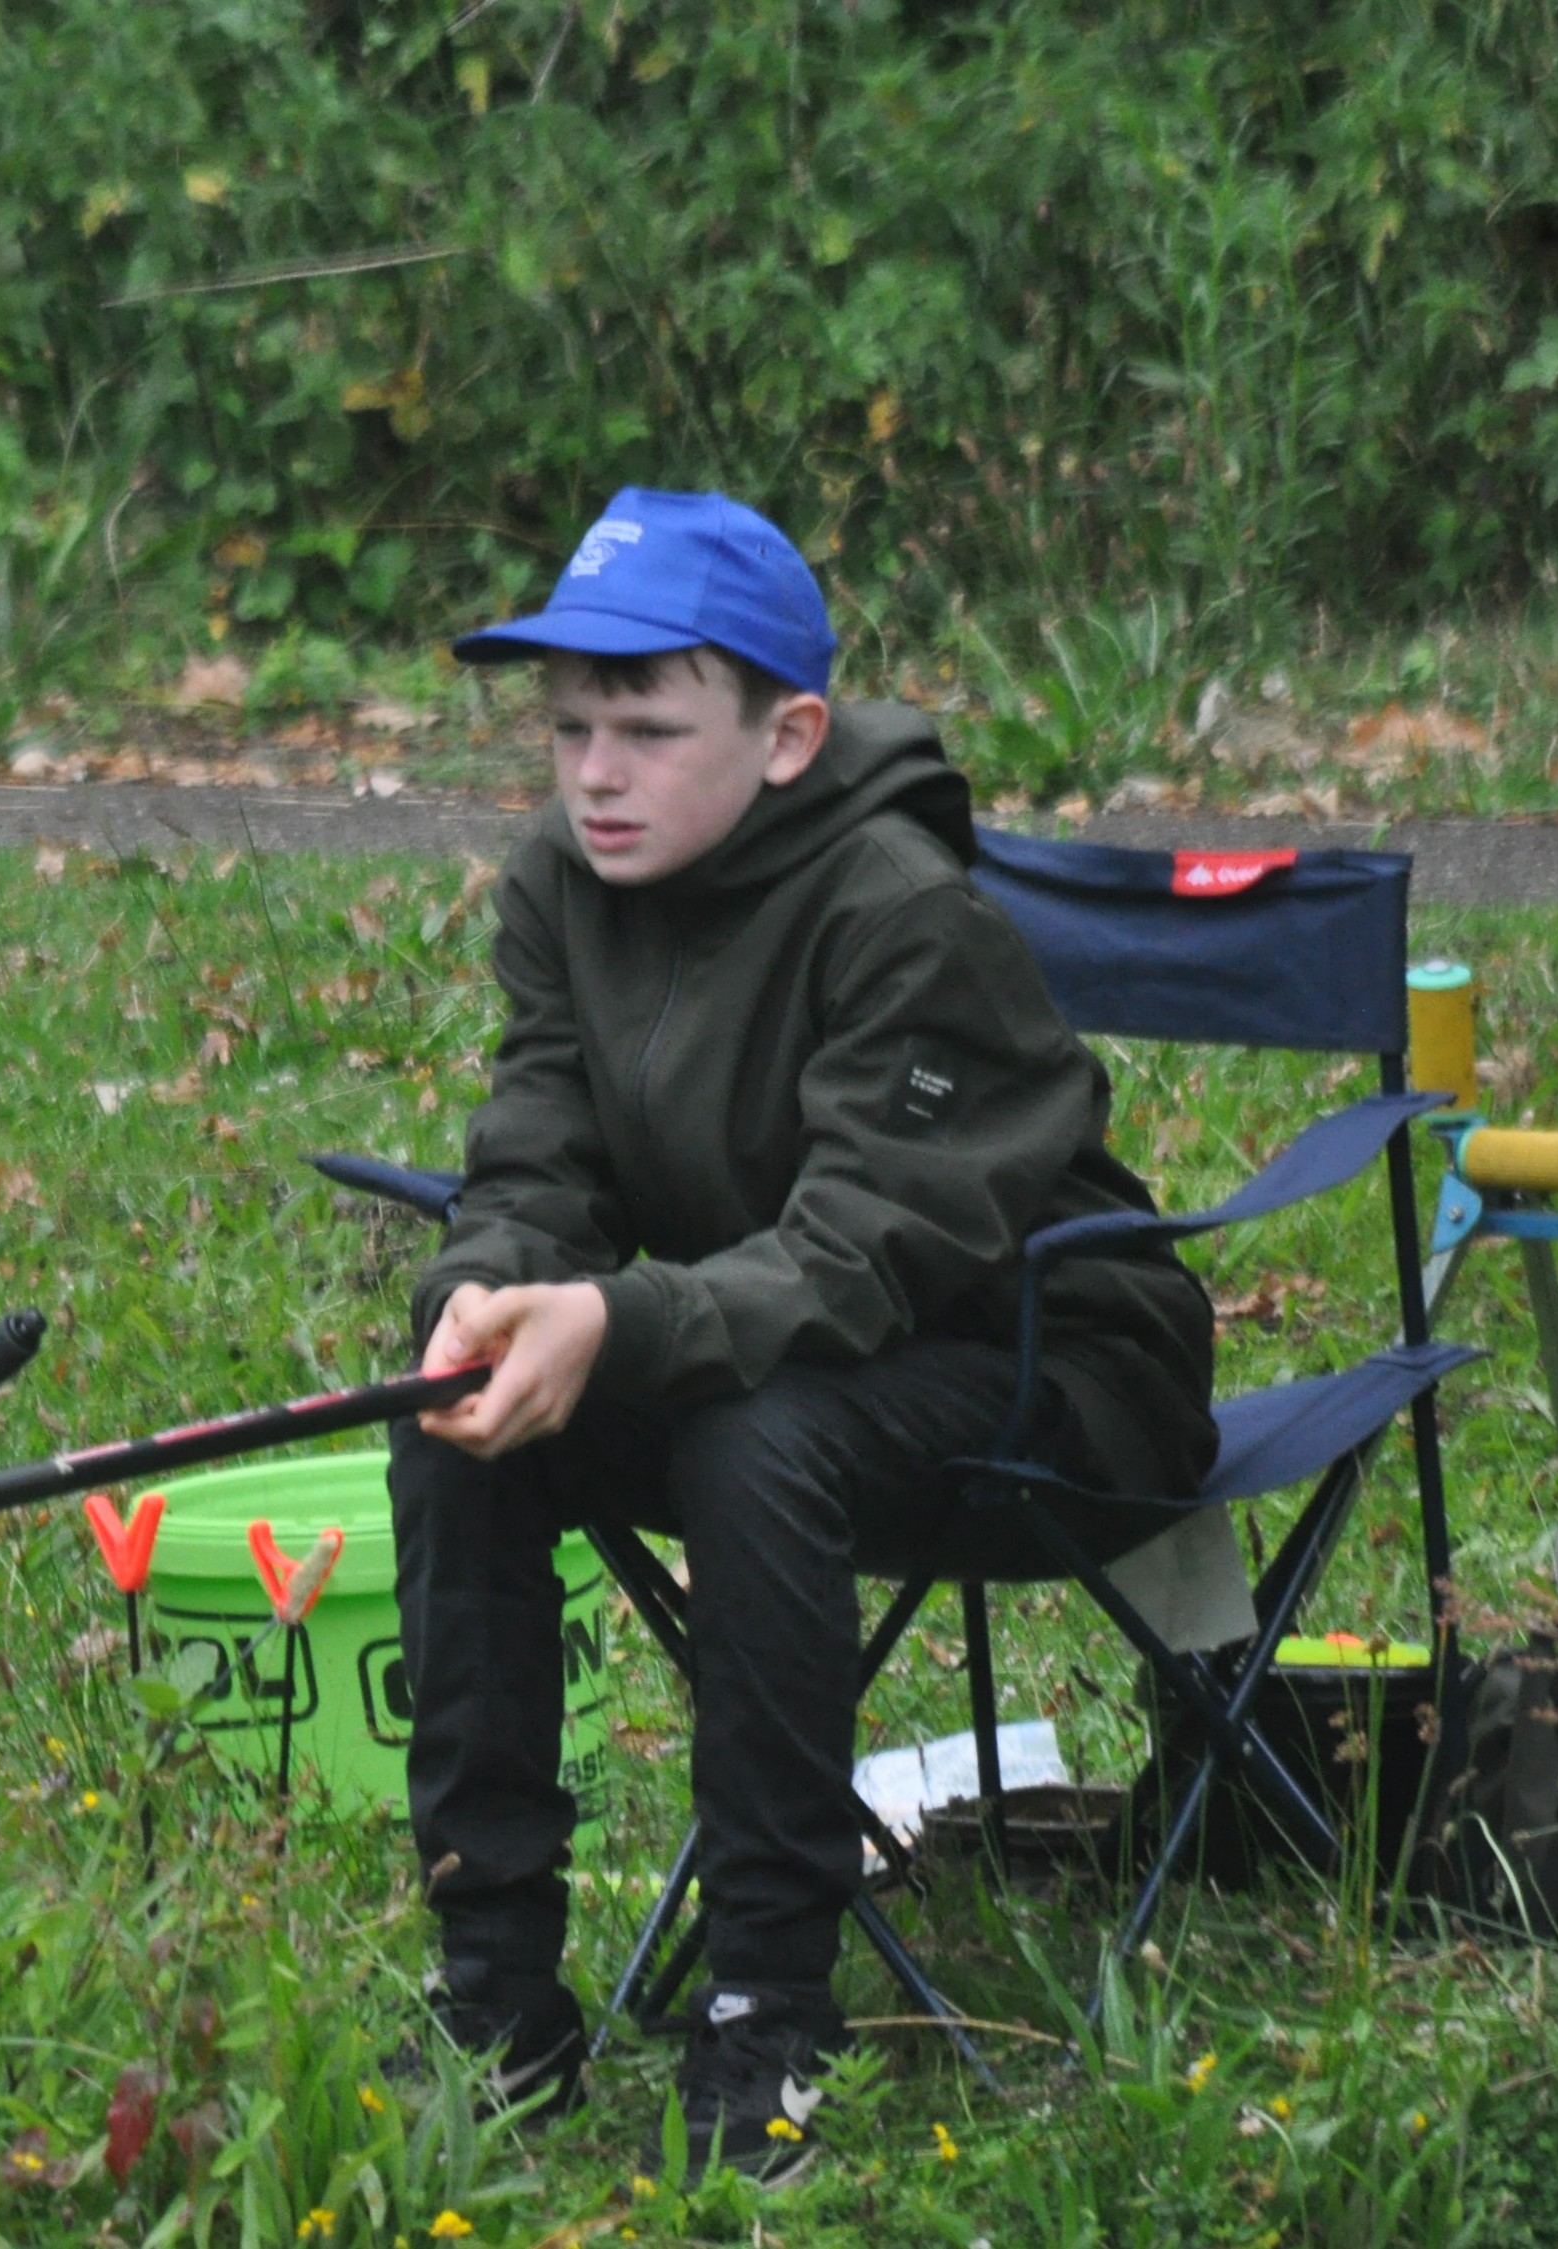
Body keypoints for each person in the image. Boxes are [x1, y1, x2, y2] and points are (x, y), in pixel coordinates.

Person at [392, 487, 1217, 2186]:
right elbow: (535, 1162)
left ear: (788, 737)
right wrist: (494, 1283)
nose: (593, 773)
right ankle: (497, 1991)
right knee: (456, 1378)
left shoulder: (899, 905)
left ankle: (767, 2001)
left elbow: (857, 1254)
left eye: (646, 728)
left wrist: (619, 1316)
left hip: (1053, 1369)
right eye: (567, 726)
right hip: (786, 1355)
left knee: (755, 1431)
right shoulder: (561, 883)